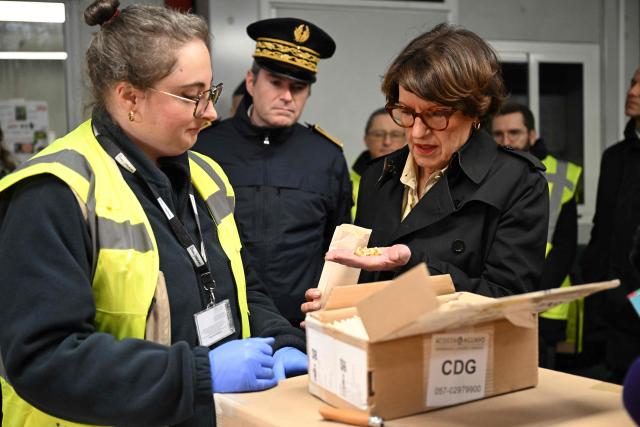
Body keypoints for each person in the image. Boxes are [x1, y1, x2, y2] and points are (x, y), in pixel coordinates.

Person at [0, 2, 307, 426]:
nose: (212, 113)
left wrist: (283, 340)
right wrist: (200, 374)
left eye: (210, 93)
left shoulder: (205, 175)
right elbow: (44, 358)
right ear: (129, 96)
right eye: (191, 96)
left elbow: (242, 284)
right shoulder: (54, 192)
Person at [302, 23, 549, 316]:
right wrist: (338, 305)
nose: (417, 132)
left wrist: (412, 262)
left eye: (436, 115)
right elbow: (368, 283)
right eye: (406, 112)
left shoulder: (517, 182)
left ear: (474, 111)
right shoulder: (378, 176)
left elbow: (510, 305)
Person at [194, 18, 352, 328]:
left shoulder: (326, 156)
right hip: (227, 322)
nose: (287, 96)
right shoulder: (205, 146)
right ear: (251, 82)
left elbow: (337, 247)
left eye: (298, 87)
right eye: (276, 83)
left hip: (303, 323)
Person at [491, 103, 582, 368]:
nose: (506, 141)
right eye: (498, 134)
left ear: (532, 135)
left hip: (546, 300)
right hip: (499, 296)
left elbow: (565, 247)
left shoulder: (561, 173)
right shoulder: (486, 174)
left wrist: (531, 297)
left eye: (515, 132)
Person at [580, 66, 640, 384]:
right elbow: (602, 230)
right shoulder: (614, 157)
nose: (632, 91)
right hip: (610, 300)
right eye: (633, 82)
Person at [351, 107, 406, 218]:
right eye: (379, 134)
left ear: (406, 139)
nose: (387, 142)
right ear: (366, 139)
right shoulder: (346, 185)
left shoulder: (419, 183)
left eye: (395, 134)